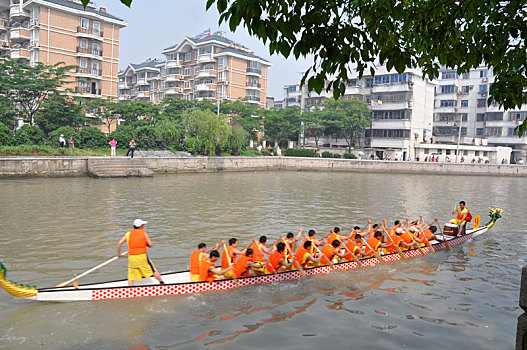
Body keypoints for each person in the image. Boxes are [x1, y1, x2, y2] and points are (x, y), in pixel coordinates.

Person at [117, 219, 165, 286]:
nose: (143, 226)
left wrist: (119, 254)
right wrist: (147, 244)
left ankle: (130, 290)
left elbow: (119, 244)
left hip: (132, 258)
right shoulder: (143, 232)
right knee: (153, 270)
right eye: (143, 225)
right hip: (142, 257)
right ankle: (162, 283)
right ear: (140, 226)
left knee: (131, 277)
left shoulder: (128, 233)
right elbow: (150, 245)